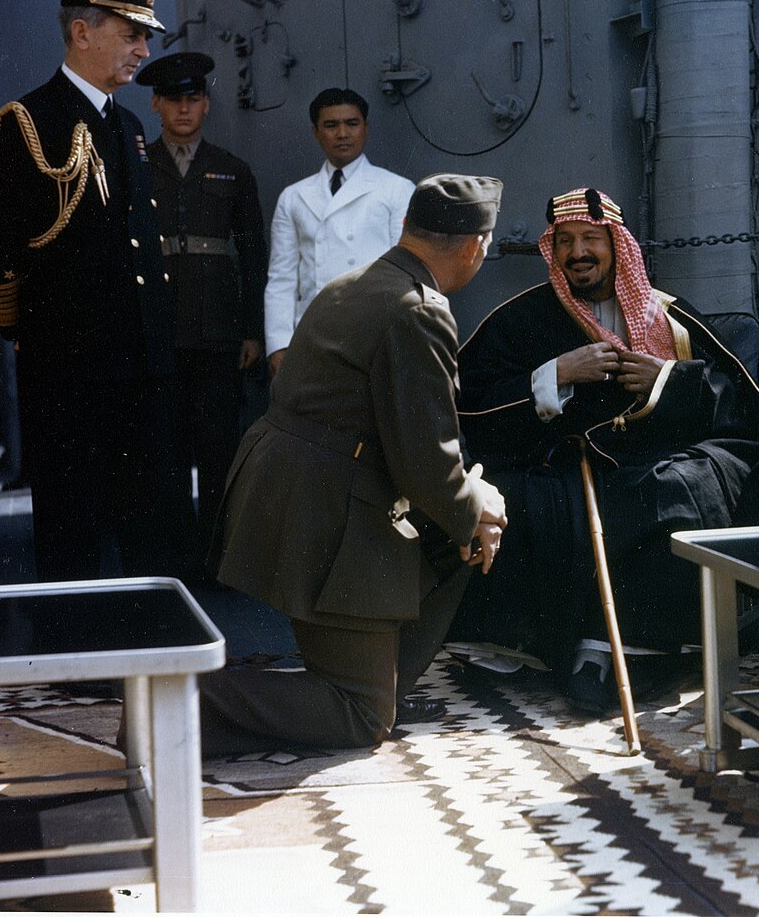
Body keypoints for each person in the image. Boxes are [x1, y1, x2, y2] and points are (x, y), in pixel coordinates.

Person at [199, 173, 507, 756]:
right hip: (322, 509)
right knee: (362, 718)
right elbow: (427, 462)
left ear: (407, 230)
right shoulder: (419, 311)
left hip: (291, 489)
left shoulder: (355, 282)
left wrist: (466, 511)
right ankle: (190, 702)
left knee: (459, 538)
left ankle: (378, 683)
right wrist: (478, 504)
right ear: (475, 247)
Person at [450, 187, 759, 713]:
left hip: (659, 460)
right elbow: (473, 404)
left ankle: (635, 646)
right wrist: (555, 376)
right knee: (530, 498)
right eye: (565, 241)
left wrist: (669, 378)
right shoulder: (521, 318)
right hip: (568, 459)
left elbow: (738, 403)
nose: (578, 252)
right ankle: (555, 646)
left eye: (591, 239)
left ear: (618, 244)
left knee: (677, 488)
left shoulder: (668, 316)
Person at [0, 0, 189, 582]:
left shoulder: (128, 129)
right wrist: (34, 333)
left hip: (142, 372)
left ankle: (148, 668)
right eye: (131, 35)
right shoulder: (27, 124)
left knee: (149, 533)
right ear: (81, 32)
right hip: (69, 373)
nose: (143, 52)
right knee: (74, 536)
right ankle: (76, 676)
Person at [136, 51, 268, 575]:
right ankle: (172, 561)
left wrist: (253, 331)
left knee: (218, 451)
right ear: (156, 105)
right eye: (174, 100)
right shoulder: (138, 166)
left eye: (193, 99)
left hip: (217, 332)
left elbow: (254, 255)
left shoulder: (233, 171)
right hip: (159, 331)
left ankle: (217, 559)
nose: (184, 109)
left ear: (207, 105)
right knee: (162, 452)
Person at [264, 87, 414, 377]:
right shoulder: (294, 197)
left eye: (352, 124)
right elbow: (282, 277)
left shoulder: (397, 189)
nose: (342, 134)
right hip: (311, 334)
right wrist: (279, 344)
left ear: (366, 128)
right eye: (331, 125)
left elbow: (405, 273)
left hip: (376, 332)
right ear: (316, 132)